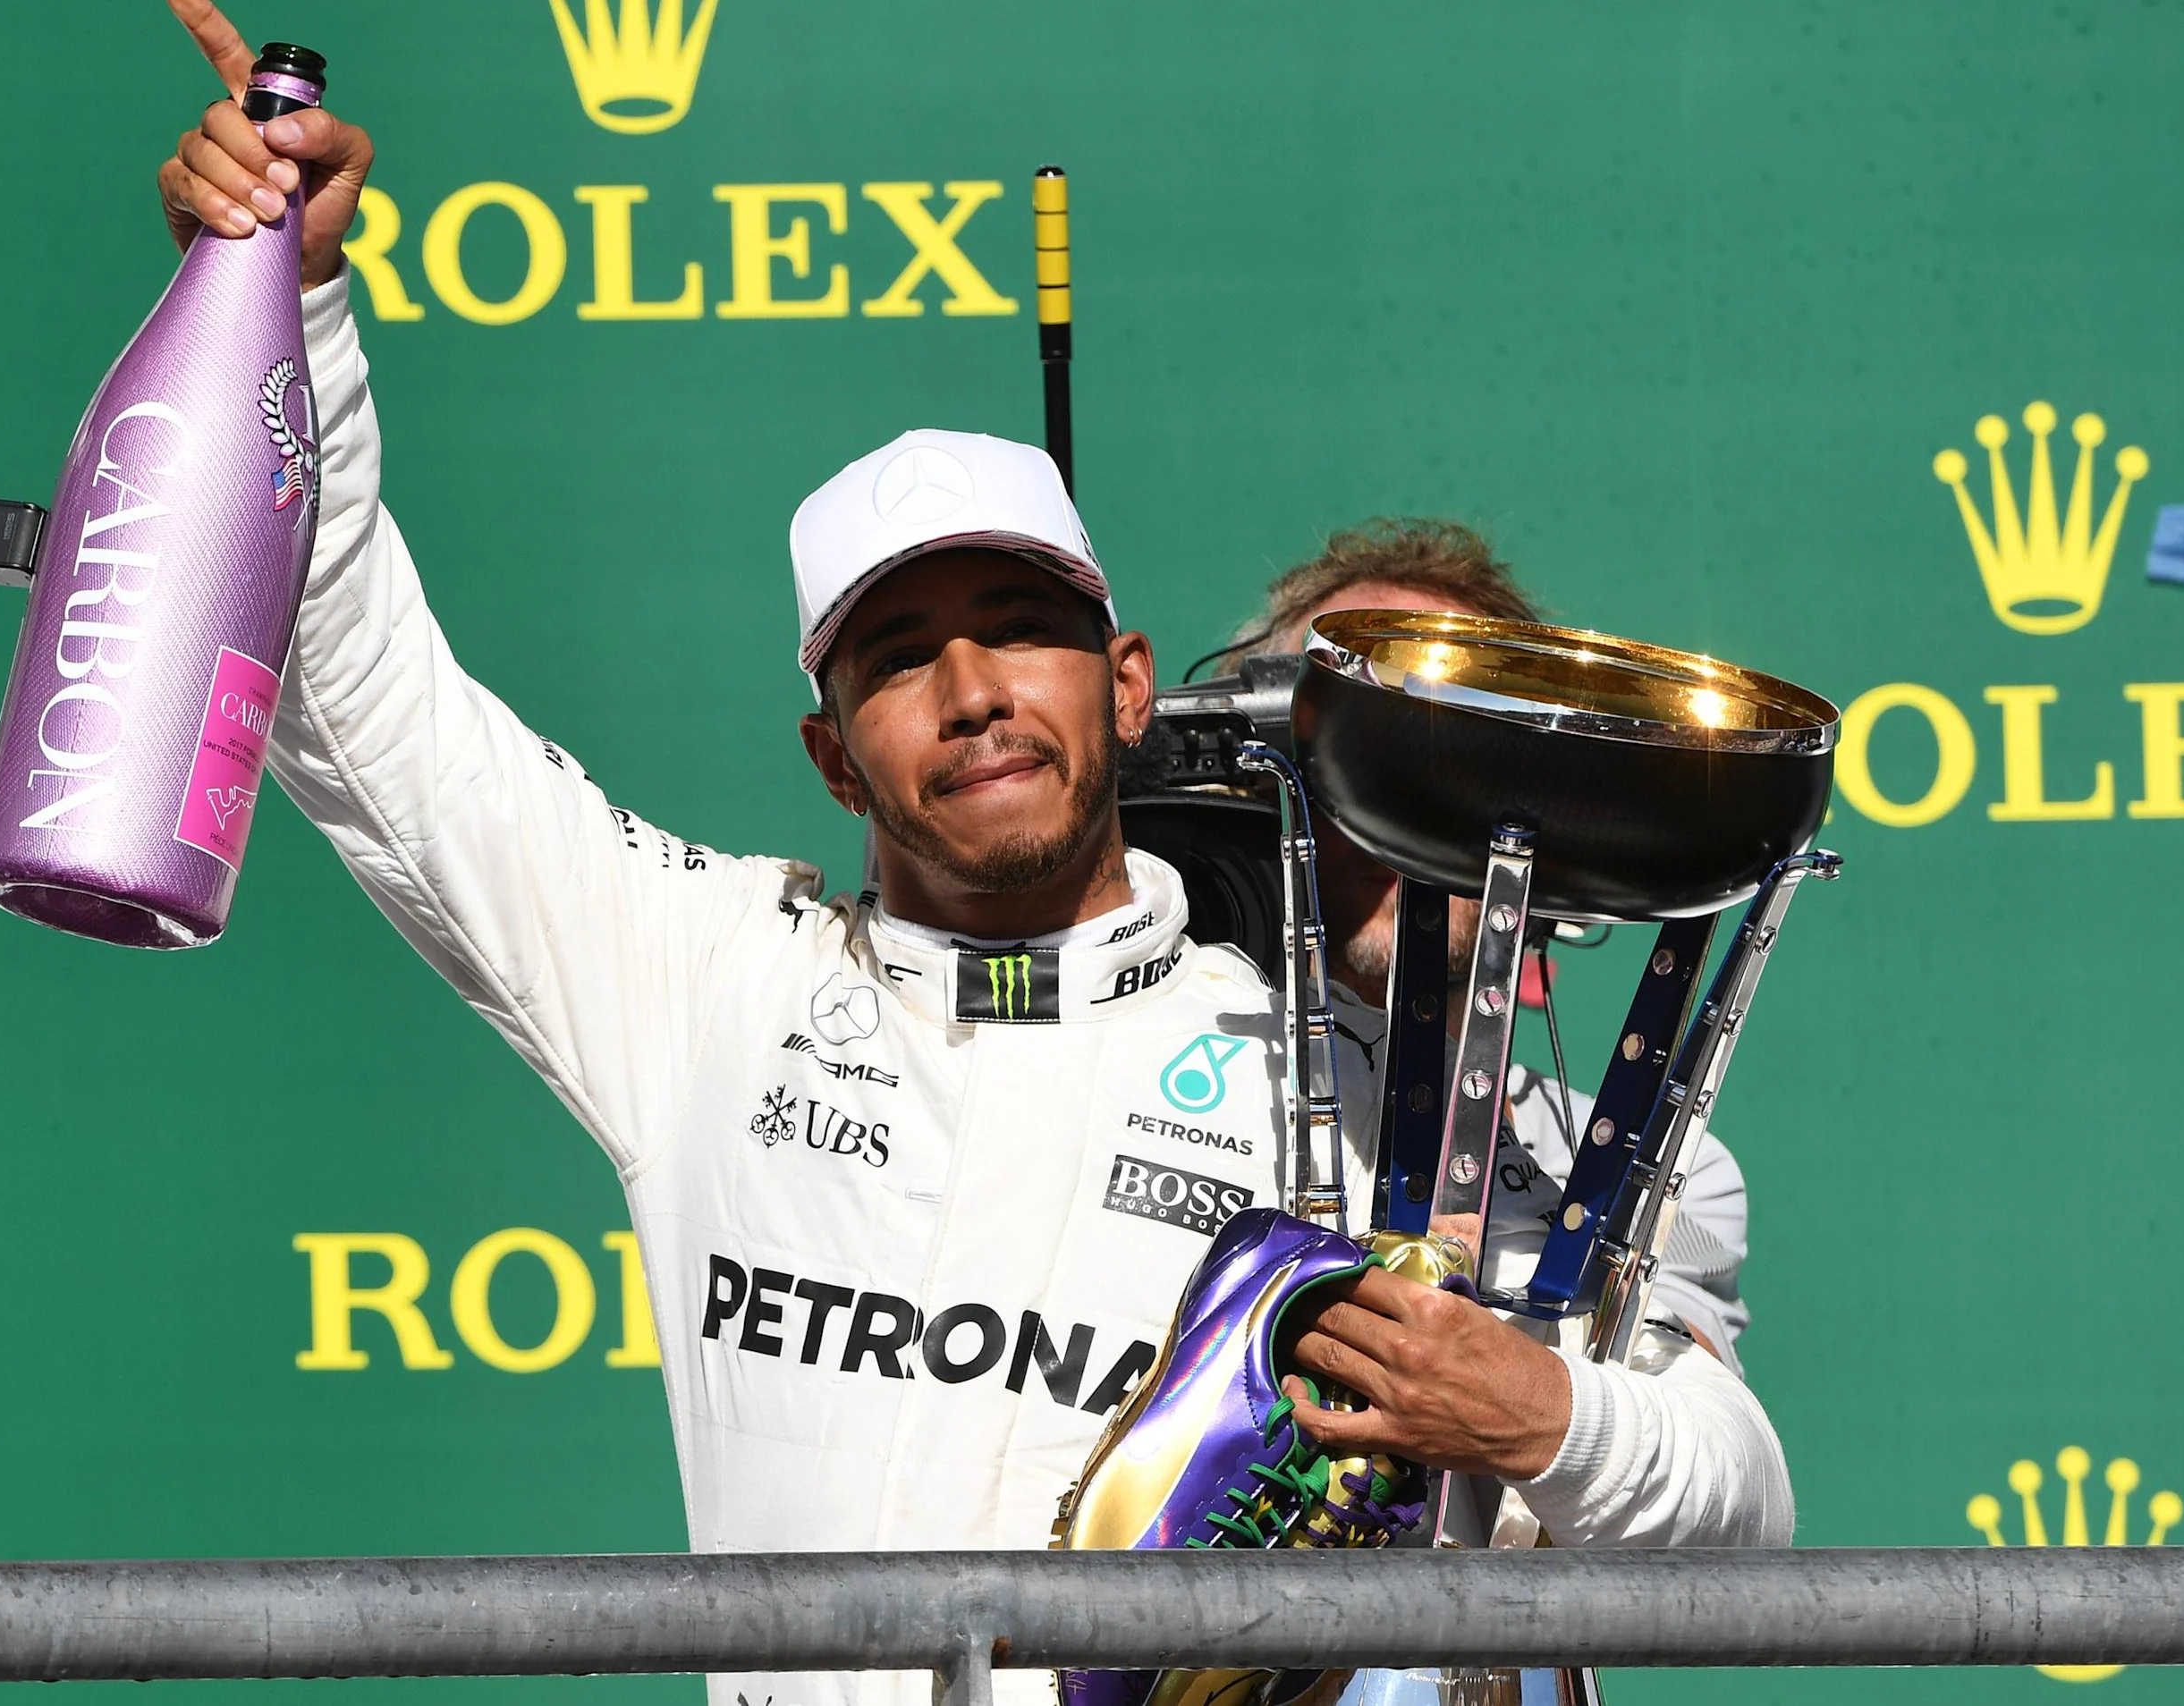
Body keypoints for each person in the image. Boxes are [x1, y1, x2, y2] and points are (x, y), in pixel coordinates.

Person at [156, 8, 1790, 1705]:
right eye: (898, 652)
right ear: (827, 751)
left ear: (1131, 687)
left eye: (1022, 625)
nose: (972, 689)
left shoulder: (1337, 1080)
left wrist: (1553, 1418)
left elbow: (1734, 1513)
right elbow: (364, 695)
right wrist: (293, 299)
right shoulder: (709, 975)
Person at [1232, 521, 1754, 1370]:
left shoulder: (1663, 1170)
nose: (1398, 826)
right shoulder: (1154, 1072)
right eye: (1354, 764)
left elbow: (1673, 1437)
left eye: (1456, 758)